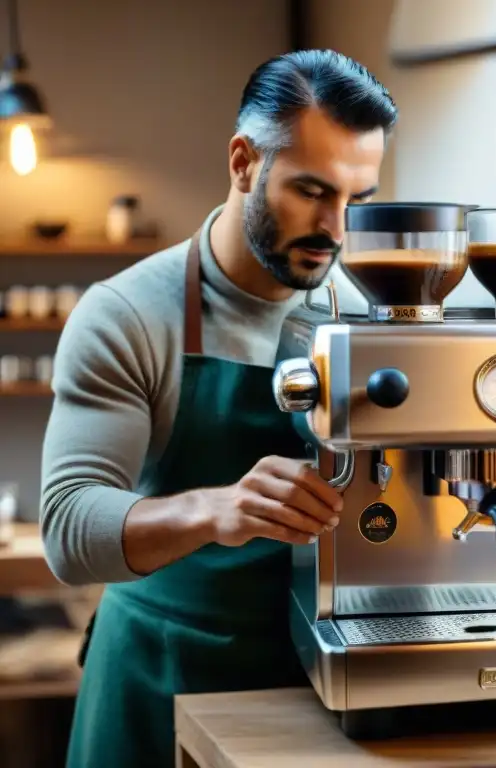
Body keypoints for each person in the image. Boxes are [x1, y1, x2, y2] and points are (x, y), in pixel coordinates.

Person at [38, 49, 397, 768]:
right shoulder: (129, 315)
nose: (336, 228)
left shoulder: (363, 316)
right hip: (162, 673)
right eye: (311, 191)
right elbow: (69, 531)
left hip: (314, 685)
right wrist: (215, 510)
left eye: (357, 199)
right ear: (242, 163)